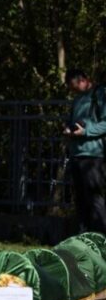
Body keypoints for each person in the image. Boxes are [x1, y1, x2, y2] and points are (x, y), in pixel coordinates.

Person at [64, 70, 106, 233]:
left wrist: (86, 132)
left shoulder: (100, 94)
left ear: (83, 80)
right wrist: (69, 131)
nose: (73, 91)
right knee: (80, 201)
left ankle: (101, 236)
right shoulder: (77, 99)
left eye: (74, 87)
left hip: (94, 155)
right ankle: (84, 238)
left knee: (95, 199)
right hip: (76, 154)